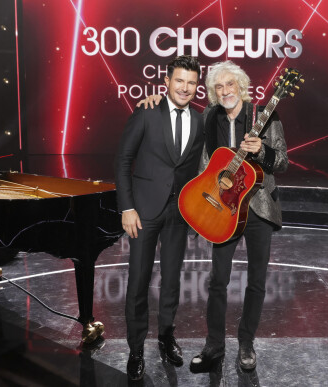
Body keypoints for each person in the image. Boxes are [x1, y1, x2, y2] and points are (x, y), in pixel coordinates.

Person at [139, 60, 288, 372]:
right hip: (223, 209)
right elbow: (204, 159)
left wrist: (260, 149)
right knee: (217, 280)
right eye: (218, 87)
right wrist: (154, 101)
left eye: (230, 85)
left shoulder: (265, 115)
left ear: (241, 86)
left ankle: (246, 342)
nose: (225, 91)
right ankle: (214, 345)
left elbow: (282, 162)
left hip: (258, 207)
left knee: (257, 282)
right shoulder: (209, 116)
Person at [114, 55, 204, 381]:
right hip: (142, 212)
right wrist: (126, 208)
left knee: (171, 281)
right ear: (166, 82)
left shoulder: (201, 121)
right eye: (179, 80)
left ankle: (166, 337)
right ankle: (136, 350)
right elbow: (123, 160)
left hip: (179, 214)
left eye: (191, 82)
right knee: (138, 282)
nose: (185, 87)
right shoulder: (146, 111)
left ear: (197, 86)